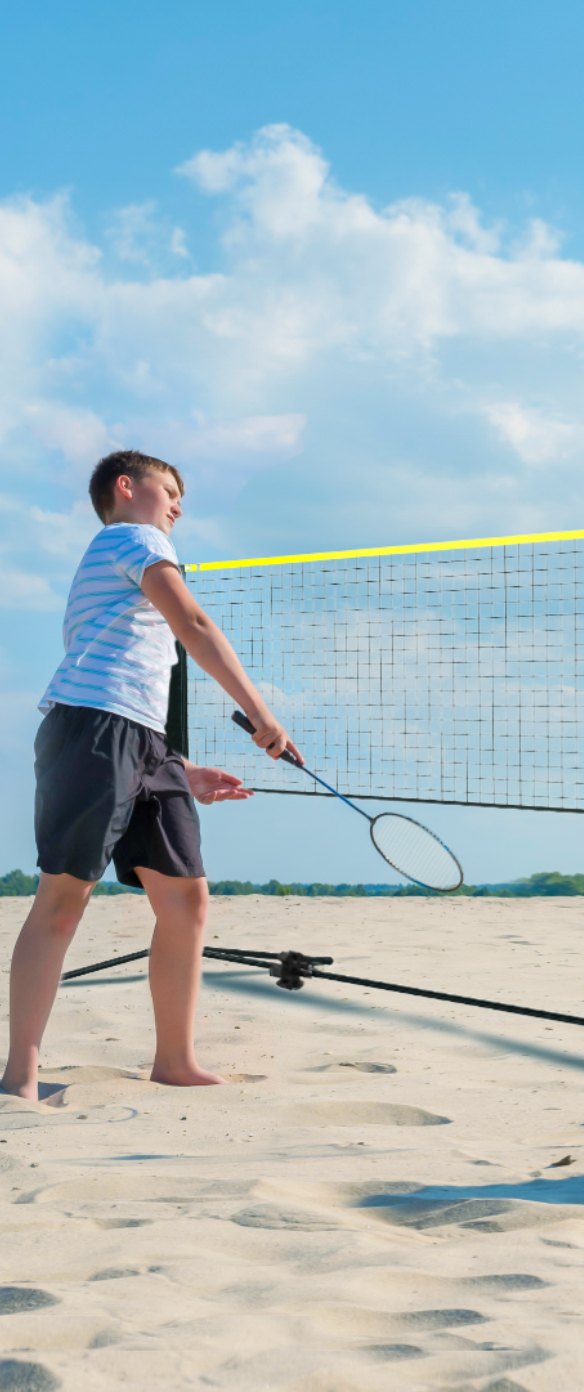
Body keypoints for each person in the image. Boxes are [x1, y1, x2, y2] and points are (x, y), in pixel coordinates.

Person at [2, 450, 296, 1101]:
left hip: (140, 740)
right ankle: (21, 1071)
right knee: (62, 901)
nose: (178, 507)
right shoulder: (131, 537)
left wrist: (177, 768)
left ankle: (175, 1060)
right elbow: (192, 623)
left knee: (186, 901)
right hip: (89, 728)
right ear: (126, 488)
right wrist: (261, 714)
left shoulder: (125, 564)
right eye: (170, 491)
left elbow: (139, 679)